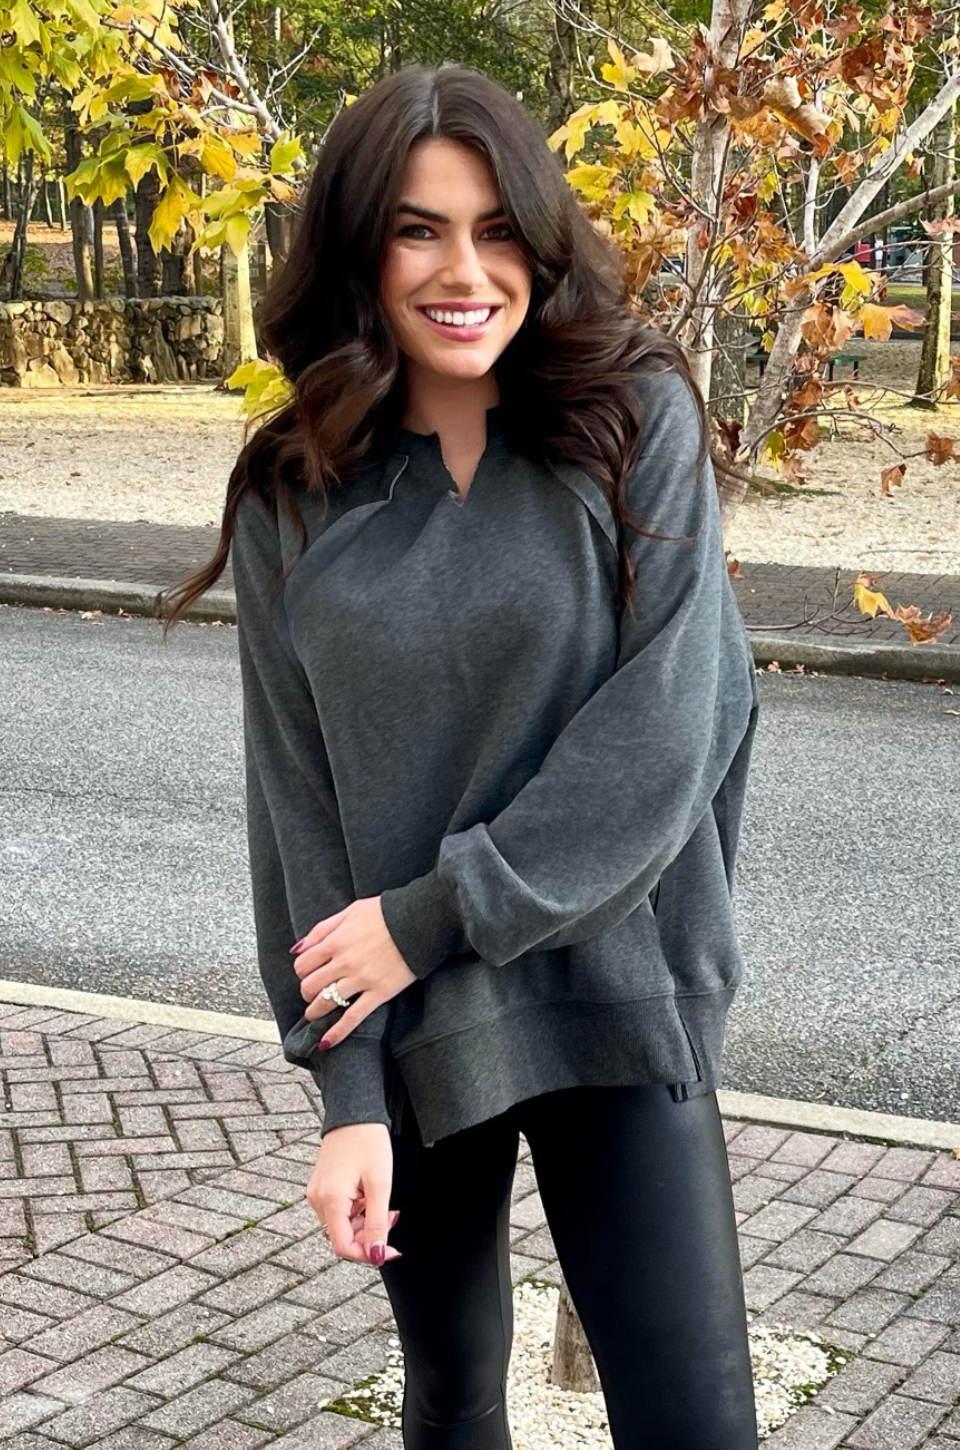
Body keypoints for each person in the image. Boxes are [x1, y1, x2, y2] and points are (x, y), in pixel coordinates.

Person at [163, 61, 761, 1450]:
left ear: (539, 242)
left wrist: (431, 916)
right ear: (359, 251)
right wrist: (346, 1096)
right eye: (417, 231)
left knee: (697, 1424)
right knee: (453, 1397)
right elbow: (300, 808)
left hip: (614, 997)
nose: (464, 271)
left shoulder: (634, 419)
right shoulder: (294, 490)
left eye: (496, 230)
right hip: (412, 1035)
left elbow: (673, 730)